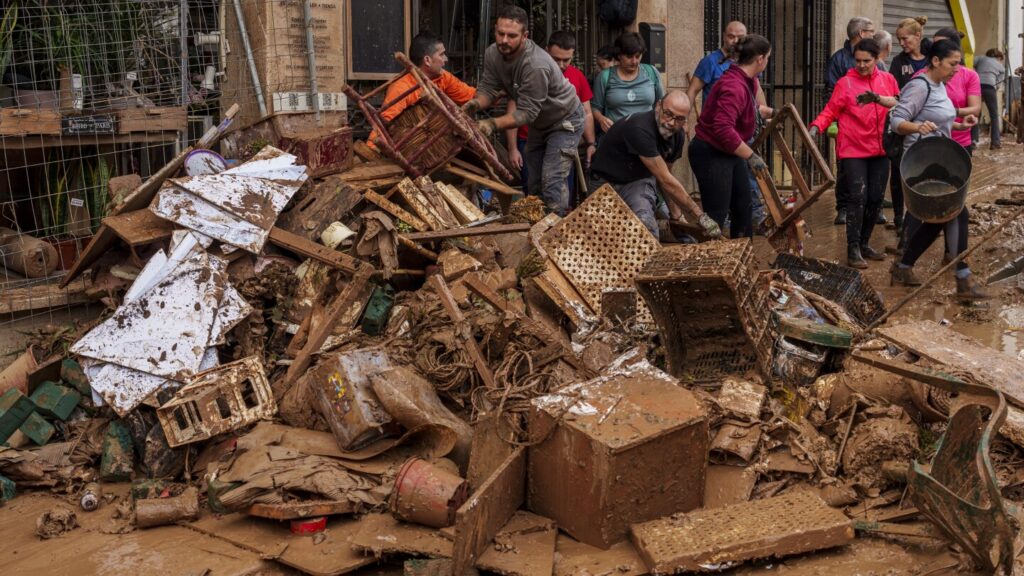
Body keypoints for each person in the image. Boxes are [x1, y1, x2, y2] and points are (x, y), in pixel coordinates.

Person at [890, 39, 987, 300]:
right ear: (935, 61)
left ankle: (904, 266)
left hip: (939, 160)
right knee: (955, 213)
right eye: (953, 63)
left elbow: (937, 117)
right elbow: (896, 120)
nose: (957, 69)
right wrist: (916, 127)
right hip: (920, 165)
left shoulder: (940, 85)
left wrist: (959, 123)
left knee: (938, 220)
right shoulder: (919, 86)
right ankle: (963, 280)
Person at [463, 5, 583, 217]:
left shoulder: (535, 64)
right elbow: (489, 89)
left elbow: (526, 114)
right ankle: (535, 229)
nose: (504, 40)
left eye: (512, 35)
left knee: (552, 180)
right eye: (500, 33)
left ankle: (557, 231)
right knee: (533, 182)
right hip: (541, 122)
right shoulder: (493, 53)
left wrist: (491, 124)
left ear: (525, 36)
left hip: (565, 120)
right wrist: (475, 104)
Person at [808, 38, 898, 268]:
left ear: (877, 59)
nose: (861, 65)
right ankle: (853, 248)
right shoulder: (845, 83)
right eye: (857, 60)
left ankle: (865, 244)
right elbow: (830, 110)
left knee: (876, 198)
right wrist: (816, 126)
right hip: (852, 148)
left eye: (866, 61)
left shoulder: (888, 80)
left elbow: (900, 104)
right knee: (857, 197)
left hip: (881, 148)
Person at [590, 91, 720, 240]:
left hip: (637, 181)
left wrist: (676, 214)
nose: (671, 122)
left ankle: (658, 230)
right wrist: (700, 216)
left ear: (685, 120)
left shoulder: (678, 136)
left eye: (679, 119)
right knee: (603, 236)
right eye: (668, 114)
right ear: (658, 106)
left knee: (646, 228)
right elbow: (665, 179)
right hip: (604, 181)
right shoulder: (640, 128)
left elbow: (667, 177)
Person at [686, 20, 771, 231]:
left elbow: (750, 107)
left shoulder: (747, 79)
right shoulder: (734, 85)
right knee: (717, 217)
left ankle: (742, 259)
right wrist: (751, 155)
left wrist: (771, 112)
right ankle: (711, 261)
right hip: (712, 152)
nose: (767, 61)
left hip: (729, 152)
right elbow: (723, 129)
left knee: (743, 208)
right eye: (768, 58)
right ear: (760, 59)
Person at [505, 31, 596, 197]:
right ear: (546, 51)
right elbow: (513, 109)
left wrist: (590, 143)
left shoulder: (577, 76)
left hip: (562, 138)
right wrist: (512, 148)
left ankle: (556, 221)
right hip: (529, 139)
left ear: (573, 55)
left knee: (555, 188)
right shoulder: (530, 71)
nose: (560, 65)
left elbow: (587, 112)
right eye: (556, 59)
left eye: (566, 60)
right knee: (534, 191)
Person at [369, 31, 476, 148]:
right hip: (413, 147)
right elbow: (383, 123)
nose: (446, 59)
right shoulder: (402, 87)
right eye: (441, 55)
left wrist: (492, 92)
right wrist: (372, 149)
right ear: (427, 60)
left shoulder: (443, 77)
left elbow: (471, 95)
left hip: (439, 144)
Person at [825, 17, 876, 226]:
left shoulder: (876, 59)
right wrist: (833, 121)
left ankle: (872, 208)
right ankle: (843, 207)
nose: (862, 65)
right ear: (862, 33)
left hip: (870, 128)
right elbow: (831, 92)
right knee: (845, 168)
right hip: (847, 126)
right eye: (871, 31)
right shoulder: (838, 59)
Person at [887, 16, 930, 234]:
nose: (902, 43)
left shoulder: (933, 56)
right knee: (898, 171)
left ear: (918, 36)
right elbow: (894, 92)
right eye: (899, 40)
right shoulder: (898, 62)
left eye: (905, 39)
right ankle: (898, 216)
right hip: (904, 123)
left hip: (929, 123)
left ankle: (921, 215)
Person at [592, 32, 664, 131]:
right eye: (629, 57)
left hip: (647, 135)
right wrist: (601, 119)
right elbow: (595, 108)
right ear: (619, 55)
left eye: (638, 56)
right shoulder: (605, 77)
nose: (634, 61)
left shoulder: (651, 72)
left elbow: (663, 103)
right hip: (616, 136)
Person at [974, 48, 1006, 149]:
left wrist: (975, 72)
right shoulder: (999, 65)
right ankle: (995, 142)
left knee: (975, 114)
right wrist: (996, 86)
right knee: (994, 115)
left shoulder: (980, 58)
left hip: (976, 86)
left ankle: (973, 141)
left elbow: (969, 62)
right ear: (999, 57)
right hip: (989, 88)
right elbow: (1001, 77)